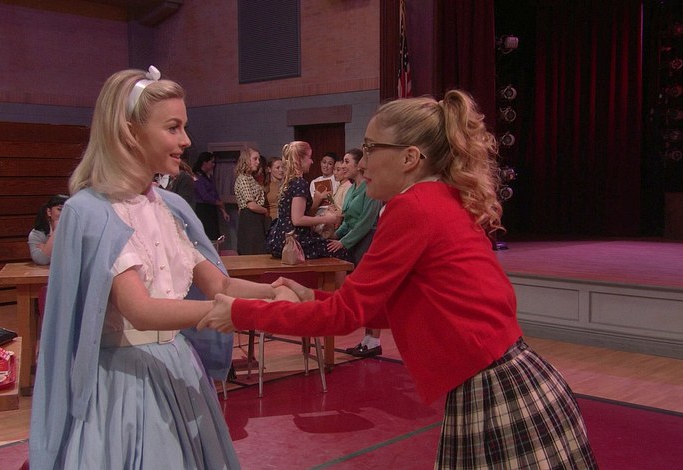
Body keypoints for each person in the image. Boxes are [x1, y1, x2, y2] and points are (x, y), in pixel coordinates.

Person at [200, 90, 598, 469]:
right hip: (504, 381)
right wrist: (312, 298)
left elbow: (346, 316)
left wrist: (240, 313)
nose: (362, 163)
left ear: (409, 157)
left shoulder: (413, 208)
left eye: (371, 148)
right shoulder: (437, 197)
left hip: (494, 390)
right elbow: (395, 308)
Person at [29, 66, 290, 469]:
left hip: (177, 366)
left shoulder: (170, 207)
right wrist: (237, 312)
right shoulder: (93, 210)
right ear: (129, 132)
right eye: (173, 128)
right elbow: (141, 309)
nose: (186, 140)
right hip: (126, 381)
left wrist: (274, 293)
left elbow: (219, 283)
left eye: (184, 128)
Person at [328, 148, 384, 357]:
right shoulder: (352, 189)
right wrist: (335, 236)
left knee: (371, 291)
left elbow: (365, 222)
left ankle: (374, 340)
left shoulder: (371, 189)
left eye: (346, 161)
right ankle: (367, 340)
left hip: (367, 242)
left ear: (359, 165)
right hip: (354, 242)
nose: (343, 166)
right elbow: (348, 220)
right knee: (360, 292)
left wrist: (343, 242)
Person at [265, 141, 350, 262]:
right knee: (341, 251)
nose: (312, 161)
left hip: (280, 237)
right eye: (309, 157)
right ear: (300, 159)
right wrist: (326, 219)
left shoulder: (289, 182)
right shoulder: (300, 183)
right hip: (293, 241)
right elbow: (297, 219)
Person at [233, 147, 270, 254]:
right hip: (250, 219)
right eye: (255, 159)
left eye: (258, 159)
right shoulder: (243, 178)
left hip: (255, 218)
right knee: (252, 250)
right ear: (246, 160)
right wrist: (265, 211)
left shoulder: (250, 178)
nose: (258, 162)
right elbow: (251, 205)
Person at [192, 151, 230, 242]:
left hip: (212, 209)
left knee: (214, 234)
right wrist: (217, 202)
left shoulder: (210, 177)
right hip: (203, 209)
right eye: (212, 162)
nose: (213, 164)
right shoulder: (196, 176)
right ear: (205, 162)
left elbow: (215, 193)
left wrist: (223, 211)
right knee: (206, 234)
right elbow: (204, 195)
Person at [27, 194, 69, 265]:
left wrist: (49, 249)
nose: (64, 214)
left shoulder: (78, 231)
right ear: (49, 212)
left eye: (67, 211)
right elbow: (41, 260)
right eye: (60, 209)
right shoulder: (37, 234)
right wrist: (57, 230)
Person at [264, 156, 285, 222]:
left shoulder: (286, 185)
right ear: (269, 169)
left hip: (284, 221)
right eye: (277, 168)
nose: (281, 170)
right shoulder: (265, 186)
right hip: (270, 221)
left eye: (282, 167)